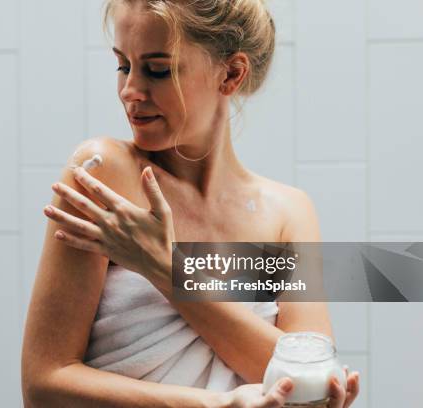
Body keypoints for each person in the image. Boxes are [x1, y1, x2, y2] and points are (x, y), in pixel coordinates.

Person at [22, 0, 360, 406]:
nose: (130, 91)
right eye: (123, 65)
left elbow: (310, 384)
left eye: (158, 69)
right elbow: (44, 385)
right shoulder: (104, 175)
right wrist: (217, 405)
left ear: (231, 74)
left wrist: (166, 270)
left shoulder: (288, 214)